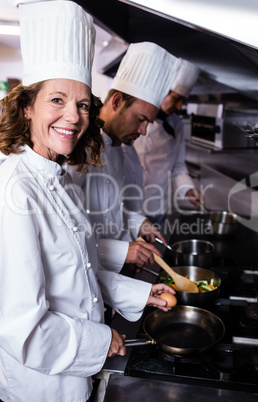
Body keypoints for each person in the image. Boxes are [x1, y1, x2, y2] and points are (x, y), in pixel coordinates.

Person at [0, 2, 175, 401]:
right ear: (27, 107)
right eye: (57, 100)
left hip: (75, 370)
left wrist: (141, 295)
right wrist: (100, 341)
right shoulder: (14, 191)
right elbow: (22, 330)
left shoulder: (56, 177)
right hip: (41, 386)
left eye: (81, 104)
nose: (75, 117)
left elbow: (82, 271)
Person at [70, 42, 180, 273]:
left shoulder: (117, 145)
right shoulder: (77, 147)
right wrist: (124, 251)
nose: (143, 131)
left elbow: (106, 211)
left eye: (148, 122)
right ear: (117, 102)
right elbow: (65, 234)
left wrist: (139, 223)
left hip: (110, 270)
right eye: (140, 119)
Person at [128, 59, 203, 223]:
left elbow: (178, 166)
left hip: (156, 208)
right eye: (176, 98)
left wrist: (188, 189)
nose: (179, 106)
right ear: (162, 91)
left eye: (183, 101)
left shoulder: (177, 125)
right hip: (128, 207)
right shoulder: (134, 118)